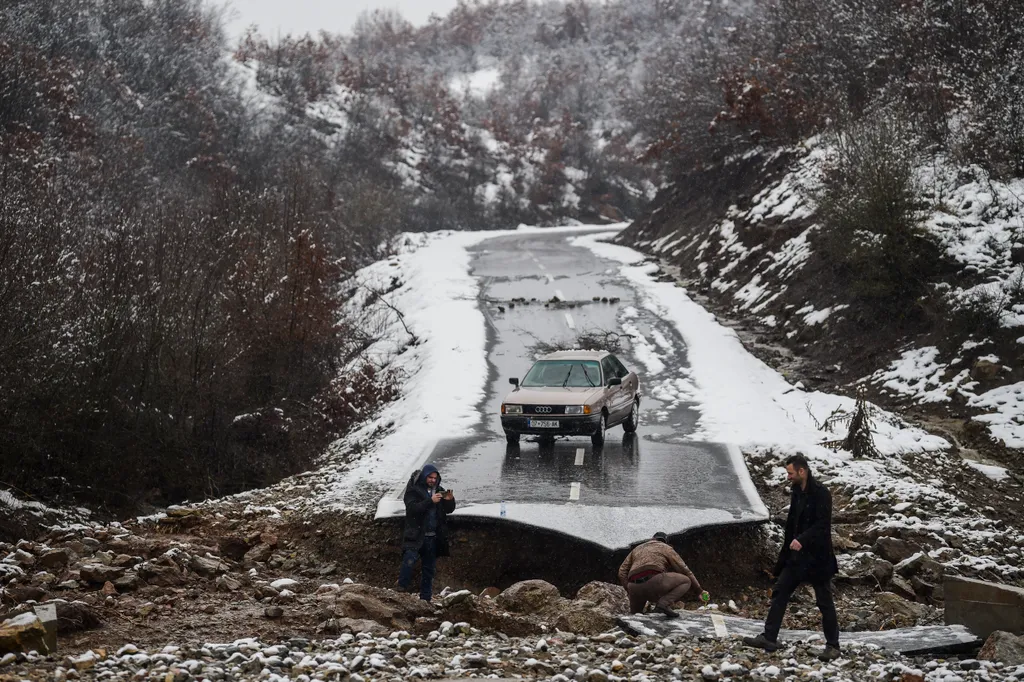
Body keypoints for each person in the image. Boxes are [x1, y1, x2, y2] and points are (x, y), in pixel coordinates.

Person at [743, 454, 840, 661]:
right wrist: (783, 557)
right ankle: (769, 637)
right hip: (797, 558)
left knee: (824, 602)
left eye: (790, 473)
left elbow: (823, 524)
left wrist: (803, 539)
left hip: (818, 558)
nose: (788, 477)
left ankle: (833, 646)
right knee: (780, 591)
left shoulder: (822, 493)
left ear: (802, 471)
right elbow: (791, 525)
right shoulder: (796, 491)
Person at [397, 464, 456, 601]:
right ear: (424, 476)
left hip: (432, 537)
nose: (433, 480)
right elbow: (412, 509)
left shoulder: (439, 490)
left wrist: (450, 500)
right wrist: (430, 501)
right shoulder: (414, 490)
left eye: (435, 478)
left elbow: (449, 510)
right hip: (416, 535)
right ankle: (400, 589)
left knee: (429, 569)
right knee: (409, 561)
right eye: (430, 477)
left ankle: (425, 599)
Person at [618, 531, 702, 618]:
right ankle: (663, 604)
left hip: (634, 587)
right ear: (665, 541)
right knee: (686, 581)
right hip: (655, 582)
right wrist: (699, 590)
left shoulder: (637, 549)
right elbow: (685, 570)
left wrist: (628, 588)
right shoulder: (666, 548)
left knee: (635, 617)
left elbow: (622, 571)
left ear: (652, 539)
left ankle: (635, 623)